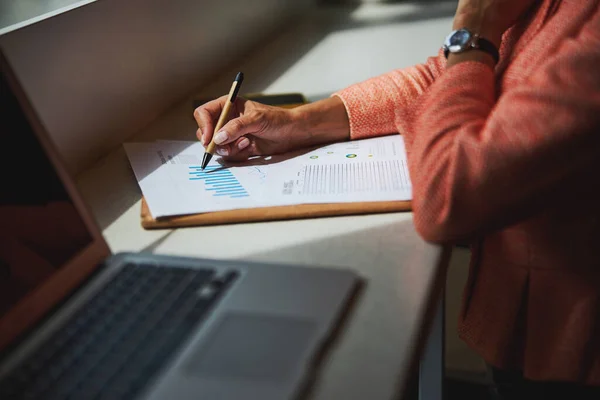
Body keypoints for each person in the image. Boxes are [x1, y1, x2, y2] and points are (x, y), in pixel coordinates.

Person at [194, 0, 600, 398]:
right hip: (526, 314)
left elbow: (448, 196)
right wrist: (299, 121)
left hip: (568, 342)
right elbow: (446, 74)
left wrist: (474, 29)